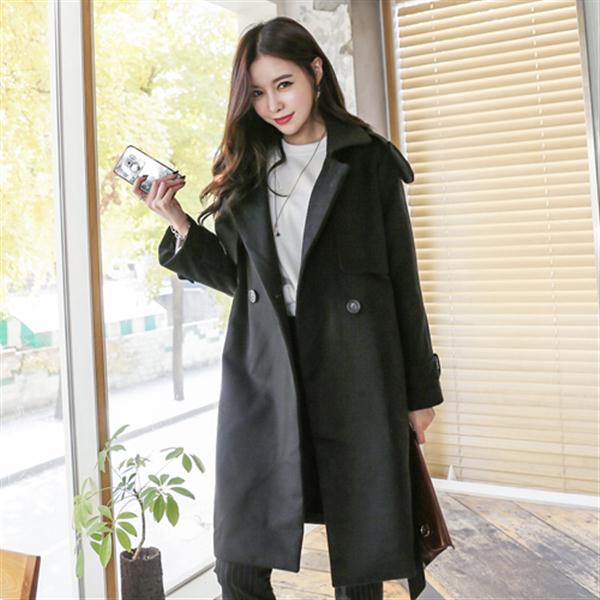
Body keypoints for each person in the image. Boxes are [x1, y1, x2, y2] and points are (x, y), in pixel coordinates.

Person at [133, 16, 443, 600]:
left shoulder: (368, 161)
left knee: (362, 559)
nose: (273, 104)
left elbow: (404, 281)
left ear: (315, 72)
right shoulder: (248, 166)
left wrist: (420, 393)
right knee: (238, 561)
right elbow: (239, 278)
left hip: (354, 368)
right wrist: (175, 219)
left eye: (284, 84)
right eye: (257, 92)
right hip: (266, 371)